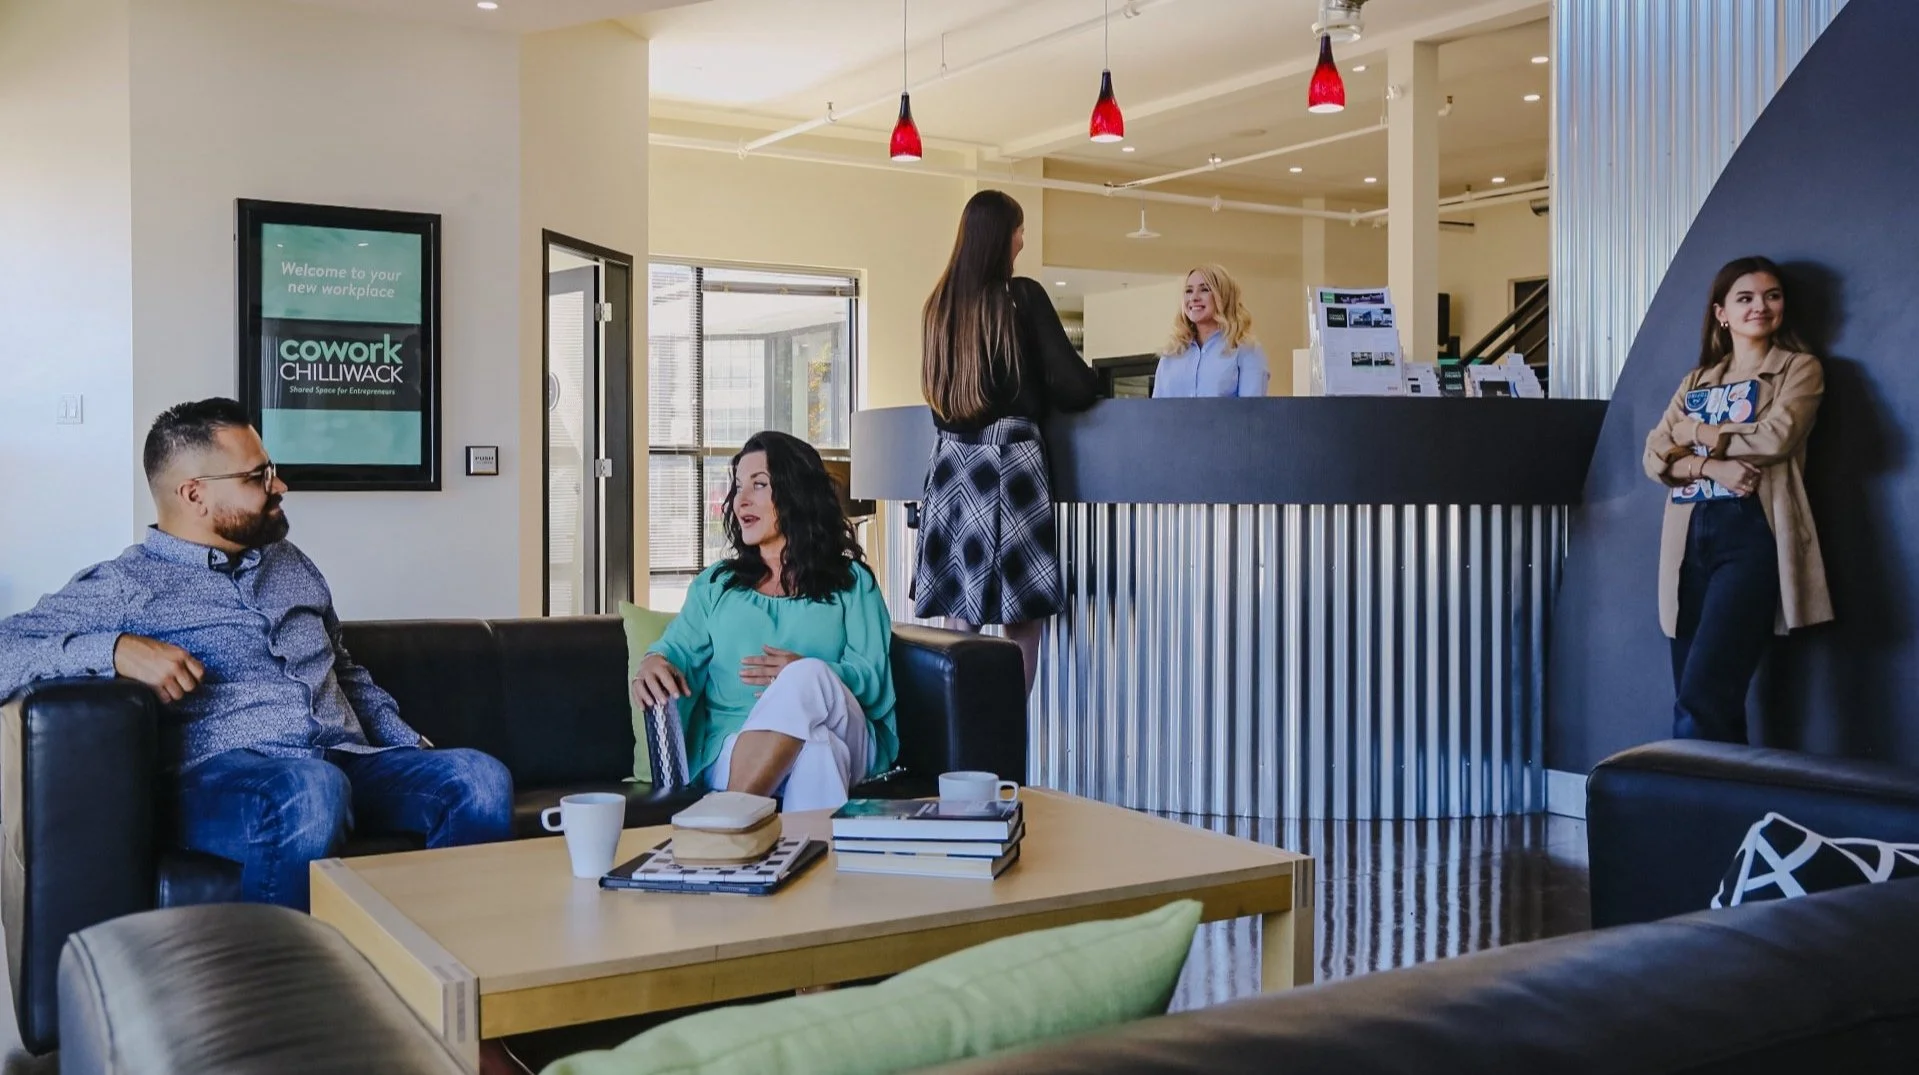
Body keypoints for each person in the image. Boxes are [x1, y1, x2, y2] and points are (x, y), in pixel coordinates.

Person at [0, 398, 513, 910]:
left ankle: (443, 956)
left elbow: (341, 666)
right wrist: (115, 649)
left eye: (272, 470)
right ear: (195, 494)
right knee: (313, 790)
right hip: (225, 780)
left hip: (345, 761)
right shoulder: (125, 585)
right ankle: (279, 965)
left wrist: (406, 742)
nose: (280, 486)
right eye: (257, 477)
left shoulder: (290, 563)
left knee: (478, 778)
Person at [630, 430, 897, 812]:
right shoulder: (717, 585)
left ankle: (728, 818)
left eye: (759, 484)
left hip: (849, 730)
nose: (741, 500)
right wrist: (653, 661)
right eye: (738, 486)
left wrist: (805, 673)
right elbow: (676, 650)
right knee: (818, 750)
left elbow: (872, 680)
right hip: (733, 746)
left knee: (805, 677)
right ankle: (798, 850)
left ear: (796, 492)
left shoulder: (853, 583)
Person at [913, 189, 1100, 692]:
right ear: (1002, 237)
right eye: (1019, 230)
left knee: (961, 613)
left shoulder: (940, 306)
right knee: (1021, 618)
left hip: (950, 465)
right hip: (1011, 462)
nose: (1022, 241)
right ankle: (1006, 732)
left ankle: (961, 728)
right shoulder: (1021, 297)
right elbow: (1074, 387)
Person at [1643, 256, 1832, 743]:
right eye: (1745, 298)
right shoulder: (1697, 381)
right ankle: (1723, 788)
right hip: (1689, 537)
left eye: (1772, 296)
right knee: (1696, 692)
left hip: (1751, 533)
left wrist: (1696, 433)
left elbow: (1776, 437)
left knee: (1704, 695)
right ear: (1721, 313)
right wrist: (1713, 467)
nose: (1760, 307)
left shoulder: (1798, 369)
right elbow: (1654, 454)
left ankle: (1690, 790)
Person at [1152, 264, 1270, 398]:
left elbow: (1252, 409)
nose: (1194, 298)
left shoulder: (1247, 350)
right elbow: (1157, 409)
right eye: (1189, 291)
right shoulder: (1171, 354)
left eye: (1204, 289)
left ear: (1224, 296)